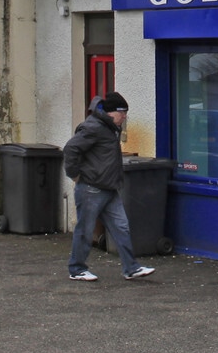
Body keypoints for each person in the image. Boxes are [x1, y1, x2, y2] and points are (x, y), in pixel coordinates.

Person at [61, 91, 153, 282]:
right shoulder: (93, 127)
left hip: (110, 187)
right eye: (122, 112)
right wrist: (75, 175)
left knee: (122, 227)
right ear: (111, 112)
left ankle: (131, 268)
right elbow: (71, 148)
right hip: (91, 188)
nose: (125, 116)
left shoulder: (110, 127)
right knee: (85, 230)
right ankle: (77, 269)